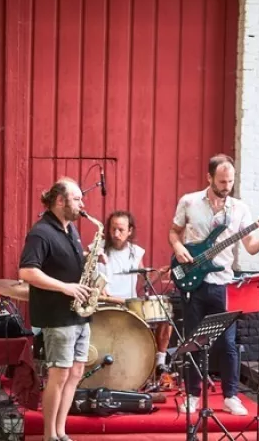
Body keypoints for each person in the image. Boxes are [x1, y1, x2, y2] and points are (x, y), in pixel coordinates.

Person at [169, 154, 259, 416]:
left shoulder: (240, 209)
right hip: (194, 282)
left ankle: (231, 396)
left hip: (224, 283)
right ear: (209, 177)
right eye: (222, 181)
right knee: (194, 340)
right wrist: (178, 246)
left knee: (228, 343)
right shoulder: (189, 201)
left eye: (230, 181)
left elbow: (250, 247)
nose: (227, 186)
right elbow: (174, 231)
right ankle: (192, 395)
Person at [18, 177, 92, 441]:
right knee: (58, 376)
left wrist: (89, 257)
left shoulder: (70, 229)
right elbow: (27, 271)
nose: (82, 204)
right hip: (57, 315)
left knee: (76, 373)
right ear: (60, 201)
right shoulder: (41, 232)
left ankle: (61, 431)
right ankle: (49, 435)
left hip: (79, 313)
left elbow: (60, 260)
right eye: (77, 199)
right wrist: (65, 287)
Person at [96, 210, 173, 371]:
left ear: (130, 231)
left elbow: (145, 282)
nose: (116, 234)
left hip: (130, 306)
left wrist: (160, 273)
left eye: (121, 230)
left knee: (166, 314)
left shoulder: (135, 252)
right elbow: (96, 288)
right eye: (113, 229)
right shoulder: (98, 250)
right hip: (106, 306)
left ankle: (160, 361)